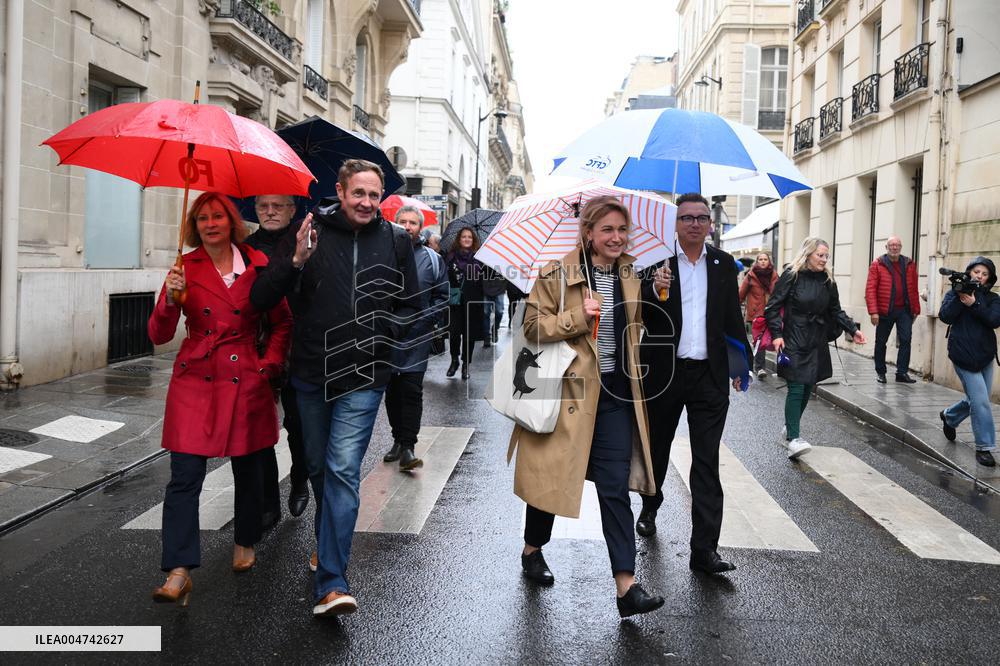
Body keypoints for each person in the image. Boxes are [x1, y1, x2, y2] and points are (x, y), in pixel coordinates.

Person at [250, 159, 420, 617]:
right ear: (341, 193)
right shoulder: (309, 232)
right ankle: (328, 544)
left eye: (373, 195)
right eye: (358, 193)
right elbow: (260, 298)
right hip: (310, 372)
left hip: (365, 376)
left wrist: (387, 340)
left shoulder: (397, 240)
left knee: (343, 469)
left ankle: (332, 582)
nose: (366, 203)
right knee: (319, 467)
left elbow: (412, 304)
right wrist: (295, 261)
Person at [509, 195, 664, 618]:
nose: (617, 237)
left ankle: (626, 586)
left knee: (614, 487)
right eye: (607, 230)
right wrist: (576, 315)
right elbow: (531, 328)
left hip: (615, 394)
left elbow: (634, 328)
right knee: (553, 476)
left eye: (622, 229)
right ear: (589, 233)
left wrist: (656, 296)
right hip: (568, 394)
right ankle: (532, 548)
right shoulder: (557, 273)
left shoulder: (631, 272)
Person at [149, 192, 292, 606]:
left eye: (218, 216)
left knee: (249, 468)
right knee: (184, 476)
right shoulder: (183, 268)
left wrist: (268, 365)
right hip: (196, 378)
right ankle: (178, 569)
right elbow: (158, 334)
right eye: (203, 217)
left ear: (231, 221)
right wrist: (169, 300)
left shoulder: (258, 265)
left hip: (246, 375)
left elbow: (282, 323)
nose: (211, 223)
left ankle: (246, 538)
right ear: (194, 225)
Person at [636, 192, 748, 576]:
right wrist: (655, 289)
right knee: (657, 449)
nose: (695, 224)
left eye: (702, 218)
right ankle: (650, 505)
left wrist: (739, 363)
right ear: (676, 223)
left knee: (706, 461)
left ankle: (704, 550)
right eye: (687, 218)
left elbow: (732, 316)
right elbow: (638, 315)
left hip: (709, 376)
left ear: (710, 225)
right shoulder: (656, 263)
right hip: (666, 373)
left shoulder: (723, 263)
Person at [765, 238, 866, 459]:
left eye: (826, 256)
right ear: (808, 254)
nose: (824, 259)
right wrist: (777, 335)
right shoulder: (791, 275)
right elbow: (772, 307)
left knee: (808, 385)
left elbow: (836, 311)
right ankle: (793, 438)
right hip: (793, 338)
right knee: (797, 386)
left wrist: (852, 329)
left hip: (816, 339)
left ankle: (789, 428)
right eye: (820, 255)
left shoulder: (827, 281)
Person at [244, 194, 311, 521]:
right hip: (257, 345)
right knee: (257, 429)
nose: (269, 212)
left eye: (278, 206)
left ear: (292, 209)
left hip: (299, 347)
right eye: (262, 207)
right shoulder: (245, 248)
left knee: (297, 423)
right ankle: (268, 501)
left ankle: (300, 478)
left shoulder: (307, 242)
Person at [382, 205, 449, 471]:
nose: (408, 226)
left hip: (416, 337)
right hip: (385, 336)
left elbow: (441, 298)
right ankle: (397, 439)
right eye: (403, 222)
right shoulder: (382, 253)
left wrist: (421, 323)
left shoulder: (432, 259)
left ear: (420, 228)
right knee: (391, 391)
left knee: (411, 390)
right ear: (394, 224)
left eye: (412, 222)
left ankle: (408, 445)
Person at [939, 257, 1000, 467]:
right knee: (981, 400)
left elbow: (994, 319)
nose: (980, 276)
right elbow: (945, 316)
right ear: (969, 272)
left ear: (989, 279)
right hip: (962, 355)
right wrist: (959, 296)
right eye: (976, 272)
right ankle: (984, 447)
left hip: (985, 356)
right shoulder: (955, 293)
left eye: (984, 274)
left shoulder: (992, 298)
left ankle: (950, 417)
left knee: (977, 398)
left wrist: (975, 304)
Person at [865, 236, 921, 384]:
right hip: (885, 311)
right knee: (881, 342)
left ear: (900, 247)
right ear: (886, 247)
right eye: (891, 245)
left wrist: (916, 308)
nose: (894, 248)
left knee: (906, 340)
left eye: (897, 245)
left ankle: (901, 373)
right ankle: (881, 372)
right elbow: (870, 289)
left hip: (904, 310)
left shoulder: (909, 263)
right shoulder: (878, 264)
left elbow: (913, 288)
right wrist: (873, 312)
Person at [444, 227, 485, 379]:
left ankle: (466, 365)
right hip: (455, 302)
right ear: (459, 239)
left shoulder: (480, 259)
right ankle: (454, 360)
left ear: (473, 240)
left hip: (473, 302)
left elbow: (484, 281)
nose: (467, 239)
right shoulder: (450, 257)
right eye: (464, 237)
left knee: (469, 335)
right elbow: (444, 277)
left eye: (470, 237)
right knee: (454, 333)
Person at [739, 251, 779, 379]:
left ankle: (783, 366)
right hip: (756, 314)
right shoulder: (751, 275)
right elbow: (741, 294)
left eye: (765, 259)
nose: (762, 261)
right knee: (759, 340)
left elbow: (779, 293)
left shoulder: (774, 276)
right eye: (760, 259)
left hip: (771, 312)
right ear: (757, 261)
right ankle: (760, 368)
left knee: (775, 338)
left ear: (769, 261)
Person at [481, 267, 506, 349]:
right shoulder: (484, 259)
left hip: (500, 288)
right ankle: (486, 337)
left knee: (499, 312)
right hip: (486, 287)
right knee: (485, 313)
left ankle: (495, 328)